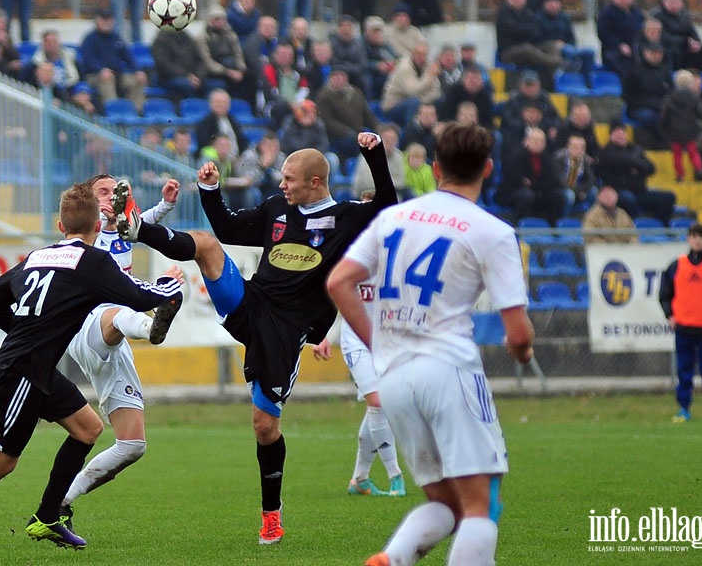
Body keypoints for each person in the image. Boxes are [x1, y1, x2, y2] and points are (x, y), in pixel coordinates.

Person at [110, 131, 398, 545]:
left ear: (316, 182)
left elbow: (387, 207)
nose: (282, 184)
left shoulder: (347, 218)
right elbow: (226, 228)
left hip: (286, 331)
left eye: (290, 178)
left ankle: (271, 515)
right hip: (251, 303)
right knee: (207, 246)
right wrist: (210, 192)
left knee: (264, 426)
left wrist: (373, 156)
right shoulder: (277, 208)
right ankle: (137, 229)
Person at [0, 183, 184, 563]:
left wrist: (20, 331)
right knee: (0, 462)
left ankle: (48, 516)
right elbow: (139, 296)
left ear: (60, 224)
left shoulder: (39, 255)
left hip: (33, 366)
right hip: (21, 372)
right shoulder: (92, 261)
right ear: (97, 227)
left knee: (88, 428)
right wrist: (170, 287)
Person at [327, 121, 534, 566]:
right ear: (489, 169)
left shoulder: (392, 218)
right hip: (448, 369)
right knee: (480, 508)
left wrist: (378, 343)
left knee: (445, 504)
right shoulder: (492, 231)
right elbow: (518, 334)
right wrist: (524, 352)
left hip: (397, 378)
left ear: (436, 168)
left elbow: (340, 282)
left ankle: (393, 558)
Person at [60, 175, 183, 529]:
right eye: (103, 191)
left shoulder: (124, 228)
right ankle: (152, 327)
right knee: (122, 311)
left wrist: (167, 204)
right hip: (89, 325)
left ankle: (61, 500)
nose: (112, 197)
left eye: (116, 192)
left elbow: (142, 223)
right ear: (87, 204)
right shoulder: (80, 239)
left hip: (114, 340)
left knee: (132, 445)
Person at [313, 280, 406, 498]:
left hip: (388, 340)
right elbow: (333, 290)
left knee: (380, 407)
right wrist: (322, 333)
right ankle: (395, 476)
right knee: (377, 403)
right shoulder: (353, 253)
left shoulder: (396, 254)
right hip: (355, 340)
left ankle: (360, 479)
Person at [658, 223, 702, 424]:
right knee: (684, 369)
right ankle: (684, 408)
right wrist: (669, 315)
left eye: (701, 236)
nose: (698, 240)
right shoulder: (677, 265)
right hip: (684, 326)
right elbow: (665, 294)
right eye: (694, 236)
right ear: (688, 239)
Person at [595, 119, 677, 224]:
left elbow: (650, 168)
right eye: (617, 132)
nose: (620, 135)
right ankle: (635, 227)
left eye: (623, 132)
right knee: (627, 198)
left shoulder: (635, 149)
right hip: (618, 193)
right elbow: (621, 160)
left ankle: (661, 228)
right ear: (610, 135)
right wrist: (636, 162)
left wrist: (634, 164)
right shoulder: (606, 152)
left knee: (668, 197)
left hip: (640, 192)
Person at [79, 9, 147, 113]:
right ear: (97, 21)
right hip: (94, 76)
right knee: (106, 79)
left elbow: (128, 56)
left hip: (117, 74)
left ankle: (137, 111)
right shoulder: (90, 39)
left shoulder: (116, 38)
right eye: (103, 20)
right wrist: (101, 69)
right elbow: (89, 60)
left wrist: (138, 70)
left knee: (137, 80)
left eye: (109, 20)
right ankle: (113, 110)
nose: (106, 23)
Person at [496, 0, 562, 87]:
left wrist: (524, 30)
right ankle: (555, 63)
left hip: (530, 48)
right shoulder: (503, 13)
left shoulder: (528, 12)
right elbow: (513, 30)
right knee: (526, 48)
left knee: (550, 45)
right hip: (508, 52)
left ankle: (552, 69)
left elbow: (536, 31)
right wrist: (526, 30)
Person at [658, 69, 702, 182]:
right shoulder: (694, 97)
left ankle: (680, 175)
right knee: (693, 152)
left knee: (677, 154)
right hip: (690, 130)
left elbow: (665, 115)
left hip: (674, 131)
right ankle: (699, 169)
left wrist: (663, 128)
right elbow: (701, 112)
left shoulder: (670, 98)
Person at [596, 0, 645, 77]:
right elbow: (603, 34)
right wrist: (619, 45)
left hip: (636, 48)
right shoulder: (606, 13)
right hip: (613, 50)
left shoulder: (638, 14)